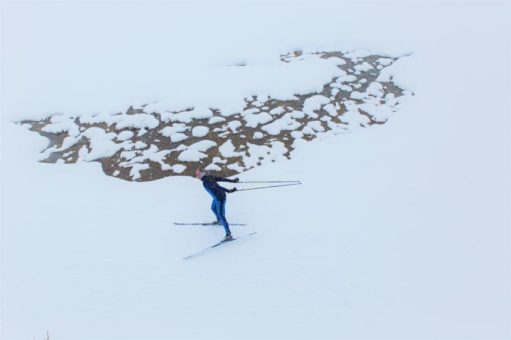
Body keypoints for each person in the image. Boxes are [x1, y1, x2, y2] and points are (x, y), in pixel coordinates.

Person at [195, 169, 239, 241]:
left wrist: (229, 190)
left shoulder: (206, 182)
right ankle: (219, 221)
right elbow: (221, 179)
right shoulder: (209, 178)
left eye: (198, 174)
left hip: (220, 198)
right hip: (216, 197)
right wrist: (232, 181)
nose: (197, 176)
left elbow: (218, 188)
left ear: (202, 174)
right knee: (213, 208)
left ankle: (229, 234)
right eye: (196, 175)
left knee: (221, 215)